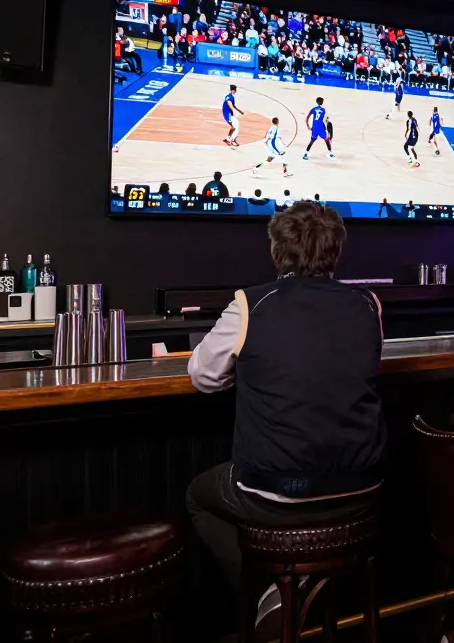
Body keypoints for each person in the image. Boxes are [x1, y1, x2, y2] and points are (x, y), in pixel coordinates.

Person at [186, 202, 384, 628]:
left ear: (276, 250)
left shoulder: (250, 304)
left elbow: (203, 377)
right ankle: (308, 588)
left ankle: (270, 592)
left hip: (275, 495)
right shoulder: (369, 304)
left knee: (197, 497)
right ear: (336, 252)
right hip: (361, 488)